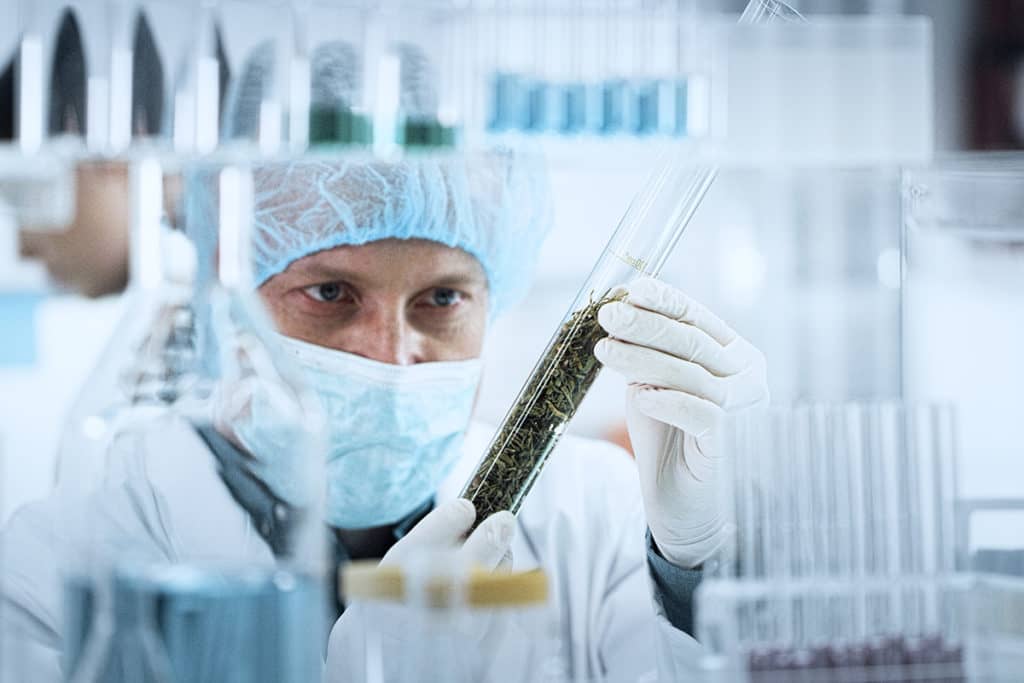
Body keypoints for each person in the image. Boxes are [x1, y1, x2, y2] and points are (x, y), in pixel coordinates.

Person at [0, 145, 768, 680]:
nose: (391, 352)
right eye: (330, 293)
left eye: (442, 298)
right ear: (232, 299)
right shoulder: (59, 562)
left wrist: (696, 573)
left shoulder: (593, 512)